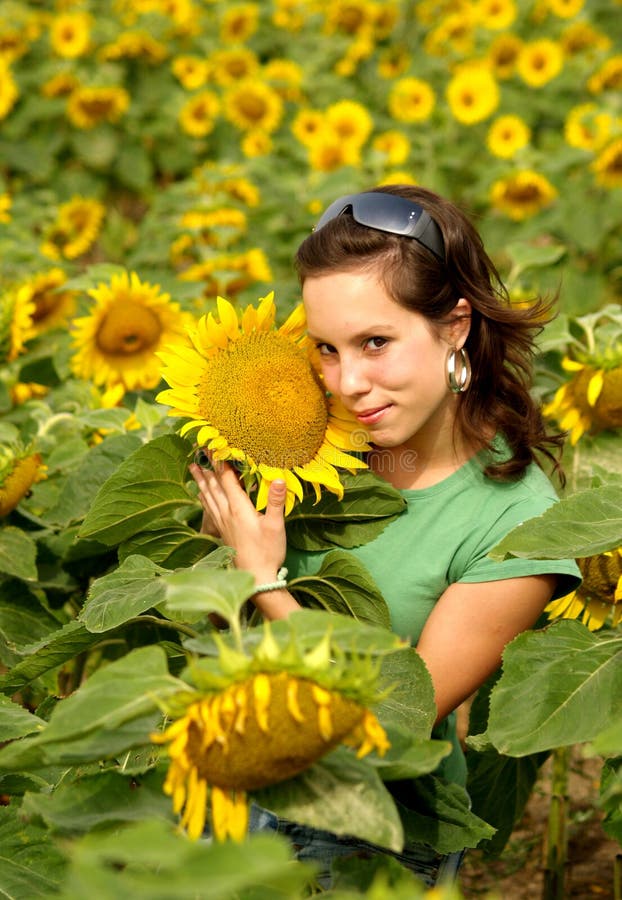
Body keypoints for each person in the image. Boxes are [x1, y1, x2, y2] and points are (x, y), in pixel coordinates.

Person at [188, 184, 581, 887]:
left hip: (369, 835)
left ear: (455, 325)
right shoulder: (313, 441)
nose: (348, 383)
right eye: (326, 350)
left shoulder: (516, 524)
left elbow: (396, 720)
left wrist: (262, 584)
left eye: (376, 343)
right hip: (232, 786)